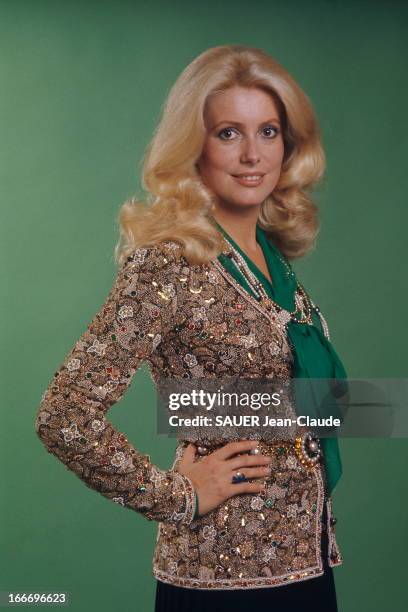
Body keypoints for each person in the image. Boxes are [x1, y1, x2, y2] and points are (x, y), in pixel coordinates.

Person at [35, 45, 346, 612]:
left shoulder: (270, 258)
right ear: (193, 145)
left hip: (308, 561)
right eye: (229, 133)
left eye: (268, 132)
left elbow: (302, 405)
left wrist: (203, 407)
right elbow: (64, 413)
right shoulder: (169, 262)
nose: (253, 154)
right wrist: (176, 495)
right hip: (219, 576)